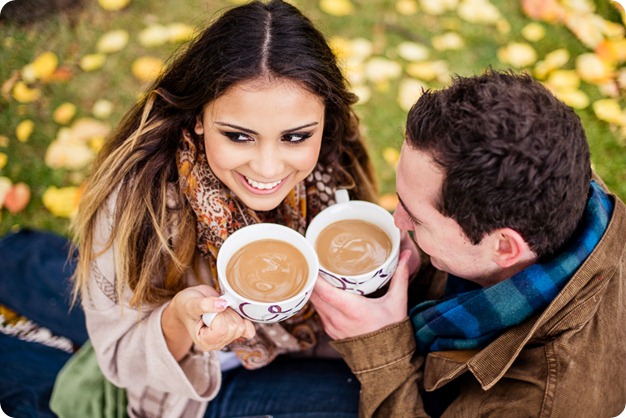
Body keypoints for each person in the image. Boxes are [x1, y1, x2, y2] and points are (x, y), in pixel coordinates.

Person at [49, 1, 379, 417]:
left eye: (295, 137)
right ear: (200, 117)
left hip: (308, 351)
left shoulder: (334, 164)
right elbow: (122, 361)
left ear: (324, 118)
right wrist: (177, 320)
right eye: (239, 136)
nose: (267, 168)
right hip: (197, 389)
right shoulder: (136, 203)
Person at [310, 69, 626, 417]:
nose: (397, 221)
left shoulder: (544, 400)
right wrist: (424, 269)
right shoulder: (554, 178)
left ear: (505, 248)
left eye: (415, 217)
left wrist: (381, 355)